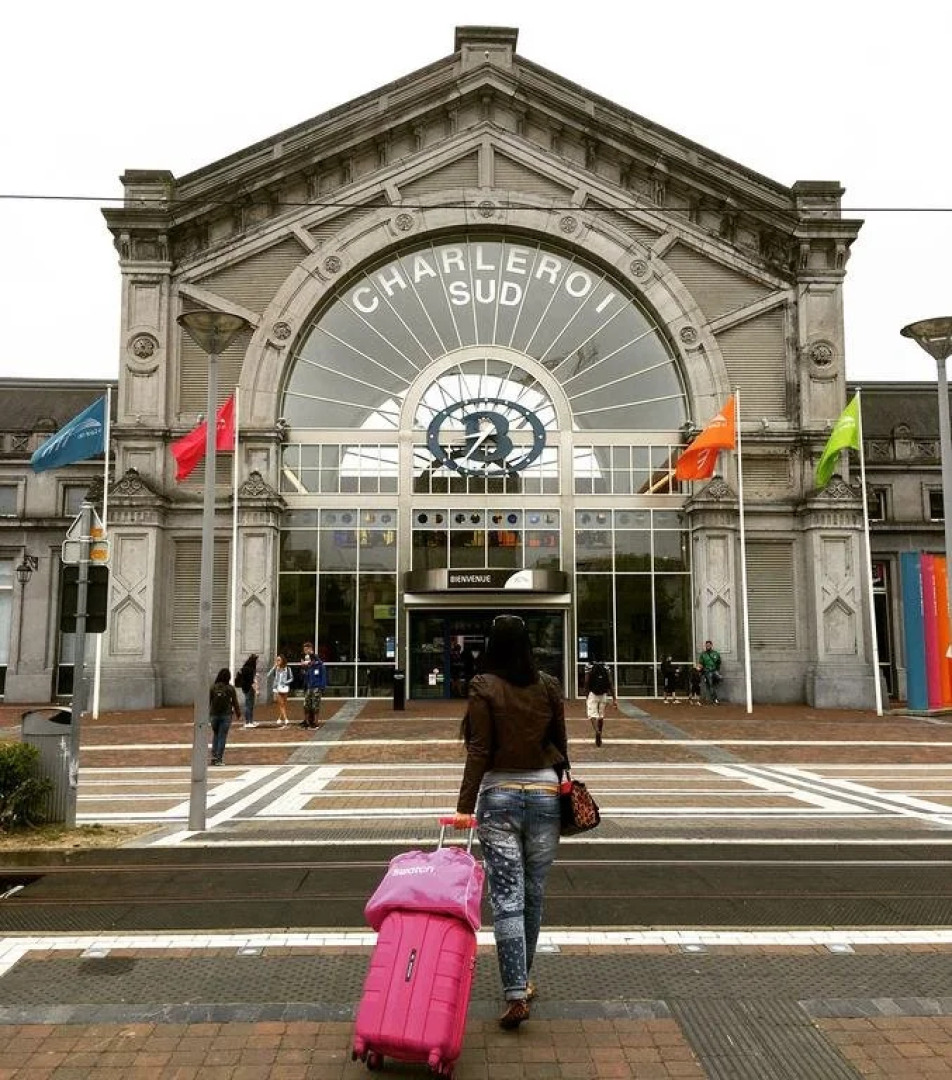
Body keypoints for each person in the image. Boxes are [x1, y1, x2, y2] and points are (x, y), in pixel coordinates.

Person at [452, 614, 568, 1031]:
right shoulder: (549, 685)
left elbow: (479, 749)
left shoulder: (483, 686)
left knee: (507, 897)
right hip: (545, 797)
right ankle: (523, 980)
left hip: (498, 798)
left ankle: (515, 991)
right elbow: (560, 744)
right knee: (534, 895)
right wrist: (564, 784)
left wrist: (465, 805)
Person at [209, 667, 240, 766]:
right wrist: (238, 713)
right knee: (222, 736)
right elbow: (235, 702)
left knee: (216, 735)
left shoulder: (213, 687)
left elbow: (208, 701)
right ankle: (219, 758)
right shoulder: (230, 688)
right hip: (226, 715)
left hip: (214, 715)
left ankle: (214, 756)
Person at [583, 659, 616, 746]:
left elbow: (586, 681)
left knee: (592, 714)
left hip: (593, 693)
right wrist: (614, 698)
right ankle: (599, 732)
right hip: (603, 693)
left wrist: (586, 694)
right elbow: (610, 682)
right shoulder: (606, 666)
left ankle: (597, 731)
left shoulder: (588, 665)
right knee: (601, 715)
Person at [300, 641, 328, 728]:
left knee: (315, 705)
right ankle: (307, 721)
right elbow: (305, 675)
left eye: (306, 650)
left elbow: (322, 674)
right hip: (309, 686)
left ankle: (315, 722)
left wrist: (322, 687)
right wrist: (304, 668)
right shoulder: (309, 666)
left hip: (316, 687)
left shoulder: (319, 664)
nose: (305, 652)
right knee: (306, 704)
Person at [267, 654, 293, 725]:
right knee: (281, 704)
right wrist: (274, 666)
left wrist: (286, 682)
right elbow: (268, 675)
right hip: (277, 687)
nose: (277, 661)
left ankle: (280, 718)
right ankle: (286, 719)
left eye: (279, 660)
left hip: (285, 687)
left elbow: (291, 678)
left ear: (282, 660)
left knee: (284, 704)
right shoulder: (276, 668)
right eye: (277, 660)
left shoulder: (288, 669)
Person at [236, 654, 259, 728]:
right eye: (256, 661)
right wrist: (256, 690)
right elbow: (251, 681)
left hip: (246, 688)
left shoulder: (245, 668)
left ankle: (250, 721)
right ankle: (248, 722)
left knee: (250, 705)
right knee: (248, 705)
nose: (257, 662)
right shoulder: (250, 669)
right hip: (248, 688)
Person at [699, 640, 722, 704]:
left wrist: (717, 670)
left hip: (714, 670)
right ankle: (715, 699)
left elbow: (719, 662)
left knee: (719, 679)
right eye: (706, 645)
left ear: (711, 645)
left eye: (709, 645)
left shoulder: (715, 653)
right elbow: (700, 663)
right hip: (707, 671)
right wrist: (700, 670)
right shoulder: (703, 654)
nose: (707, 646)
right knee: (711, 685)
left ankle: (713, 697)